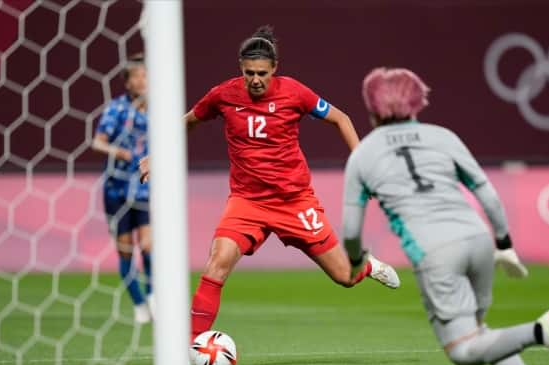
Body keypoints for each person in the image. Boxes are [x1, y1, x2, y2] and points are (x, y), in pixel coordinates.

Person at [139, 26, 400, 340]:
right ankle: (192, 347)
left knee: (344, 276)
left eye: (262, 73)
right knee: (217, 263)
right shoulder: (223, 94)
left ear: (275, 68)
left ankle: (366, 265)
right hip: (246, 202)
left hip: (294, 201)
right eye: (249, 73)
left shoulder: (295, 92)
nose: (256, 80)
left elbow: (340, 119)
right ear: (241, 68)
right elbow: (190, 120)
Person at [342, 67, 549, 365]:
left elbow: (350, 230)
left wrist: (355, 260)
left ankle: (540, 331)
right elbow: (487, 192)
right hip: (478, 239)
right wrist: (504, 244)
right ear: (416, 102)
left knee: (463, 353)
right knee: (481, 333)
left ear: (371, 108)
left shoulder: (363, 154)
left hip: (435, 252)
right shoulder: (442, 136)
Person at [92, 54, 154, 324]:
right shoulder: (116, 109)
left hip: (146, 190)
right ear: (127, 83)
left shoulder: (159, 109)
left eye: (145, 74)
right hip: (117, 190)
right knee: (126, 251)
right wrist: (117, 151)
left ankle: (153, 296)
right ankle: (139, 303)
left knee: (151, 247)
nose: (142, 80)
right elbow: (98, 143)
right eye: (136, 76)